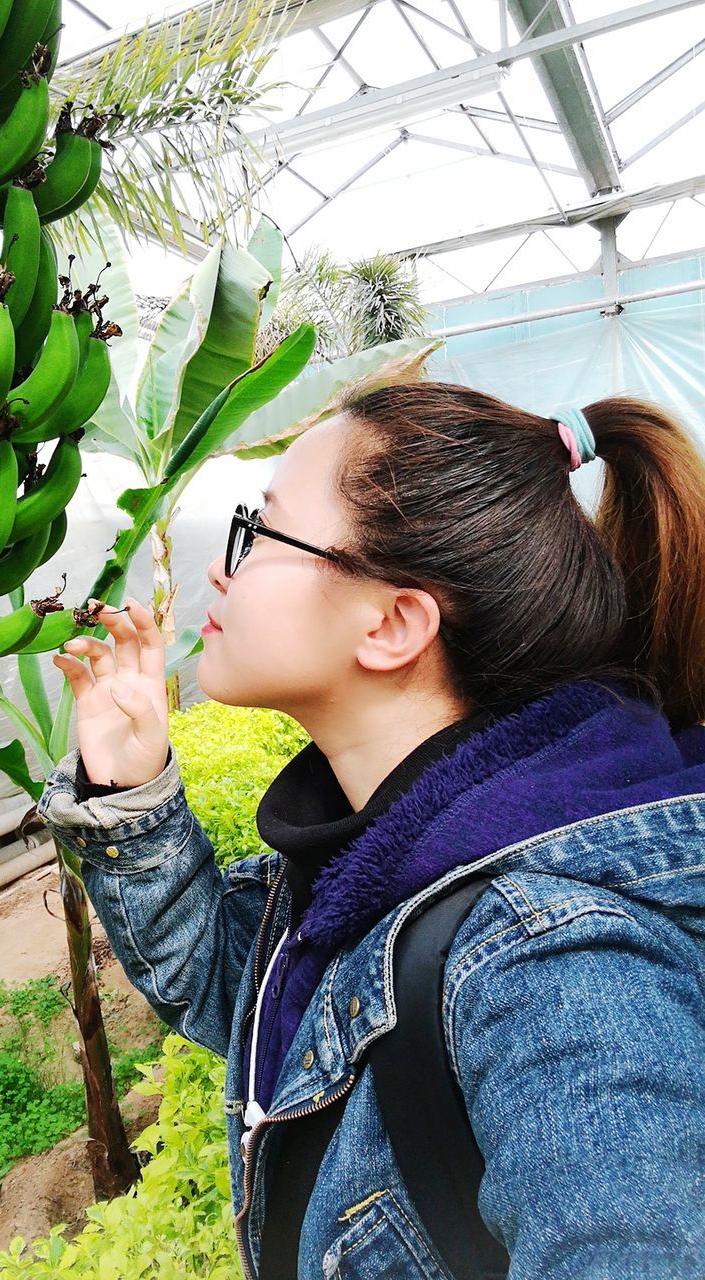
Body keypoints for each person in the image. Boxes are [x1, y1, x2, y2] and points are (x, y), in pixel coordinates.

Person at [37, 380, 705, 1279]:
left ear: (392, 623)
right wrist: (136, 790)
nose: (221, 571)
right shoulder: (390, 847)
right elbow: (265, 996)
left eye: (262, 532)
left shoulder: (555, 974)